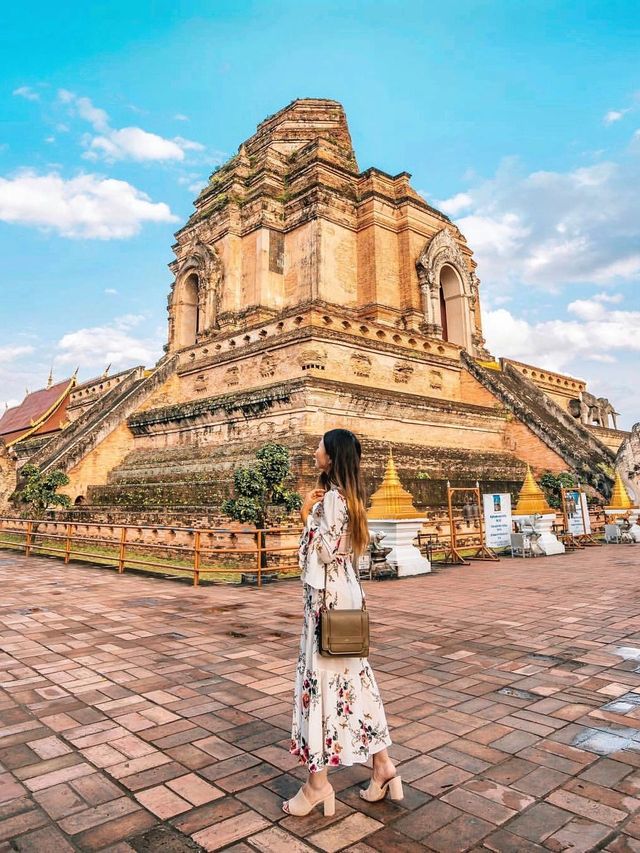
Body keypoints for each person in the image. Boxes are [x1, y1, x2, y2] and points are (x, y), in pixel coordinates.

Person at [283, 428, 402, 817]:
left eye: (320, 445)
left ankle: (317, 784)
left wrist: (305, 517)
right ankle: (383, 766)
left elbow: (326, 552)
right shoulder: (348, 497)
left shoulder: (333, 500)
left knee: (320, 682)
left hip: (327, 601)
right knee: (354, 679)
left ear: (331, 455)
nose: (314, 449)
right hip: (344, 597)